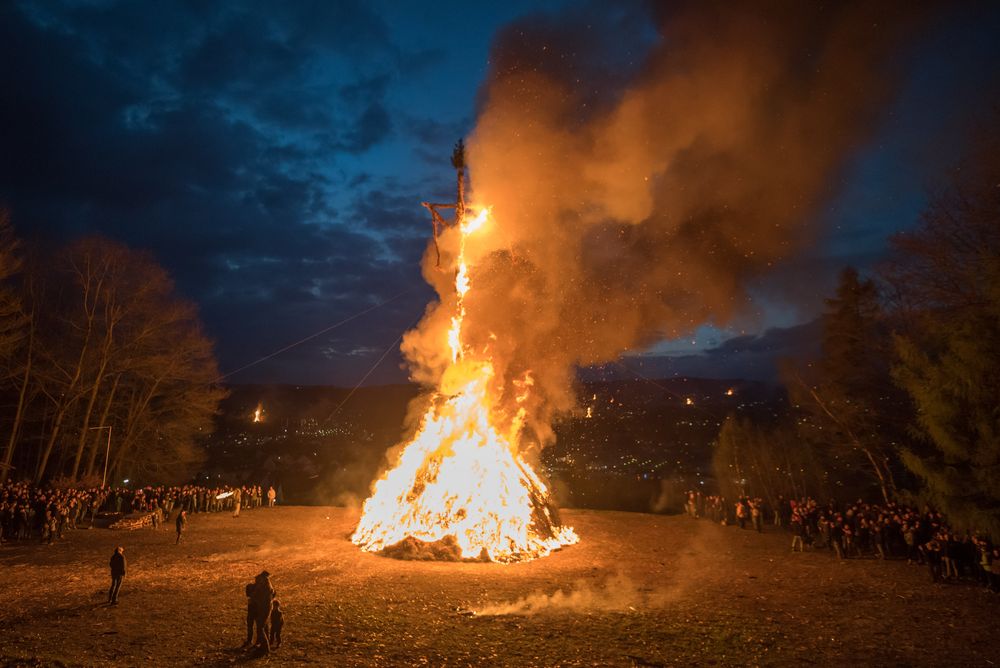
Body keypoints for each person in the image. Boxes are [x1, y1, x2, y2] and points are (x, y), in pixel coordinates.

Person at [247, 570, 275, 653]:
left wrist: (253, 596)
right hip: (267, 607)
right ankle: (266, 644)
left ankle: (265, 648)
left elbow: (255, 595)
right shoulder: (268, 585)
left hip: (264, 608)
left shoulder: (264, 586)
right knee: (265, 626)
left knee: (260, 628)